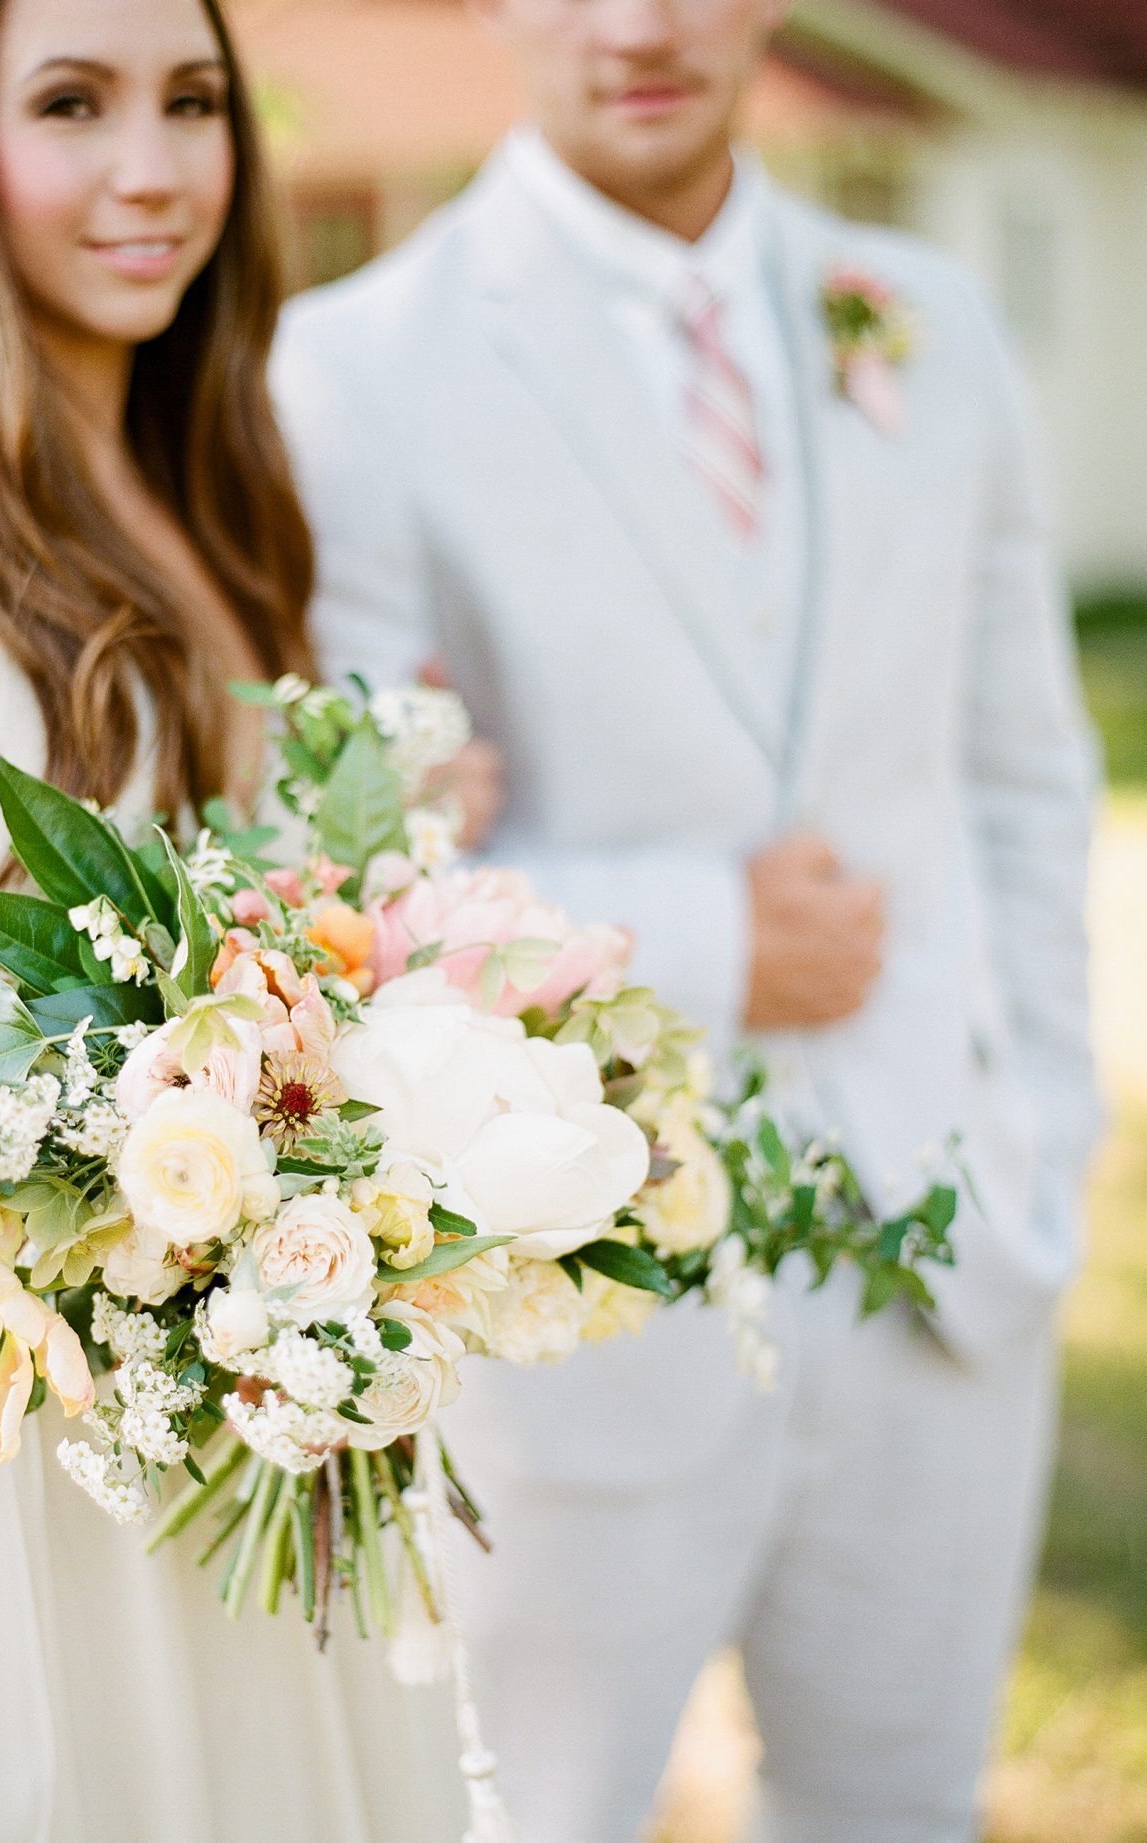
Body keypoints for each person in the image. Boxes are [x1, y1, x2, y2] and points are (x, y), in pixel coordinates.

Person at [271, 0, 1103, 1837]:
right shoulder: (354, 365)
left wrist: (1045, 1129)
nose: (636, 26)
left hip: (942, 1248)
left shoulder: (922, 321)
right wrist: (706, 936)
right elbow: (340, 872)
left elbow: (1024, 778)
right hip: (576, 1288)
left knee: (901, 1809)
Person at [0, 1, 466, 1837]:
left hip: (235, 1464)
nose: (153, 169)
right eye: (72, 106)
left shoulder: (219, 516)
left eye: (190, 101)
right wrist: (109, 1306)